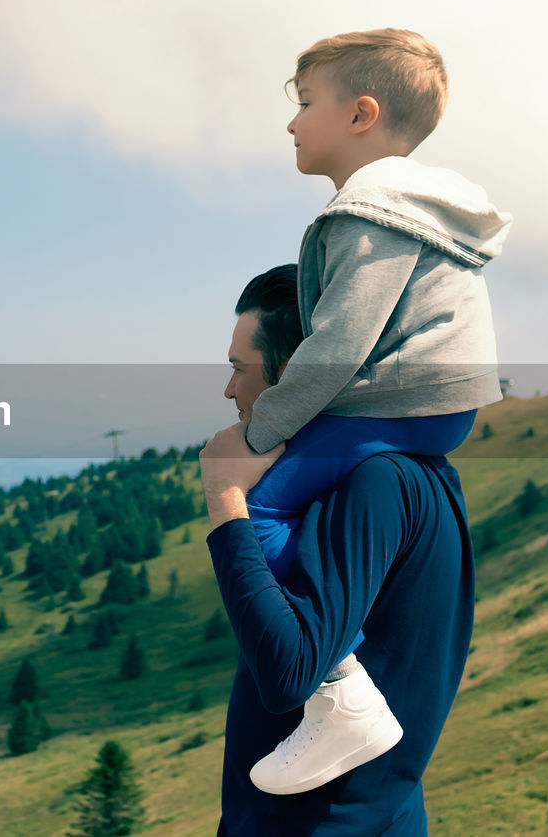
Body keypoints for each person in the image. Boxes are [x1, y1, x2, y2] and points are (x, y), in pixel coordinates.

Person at [238, 28, 511, 793]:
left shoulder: (371, 209)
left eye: (304, 103)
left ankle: (341, 691)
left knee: (253, 510)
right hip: (433, 407)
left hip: (398, 402)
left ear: (361, 113)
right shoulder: (420, 205)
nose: (292, 122)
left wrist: (264, 432)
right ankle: (341, 679)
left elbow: (339, 343)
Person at [201, 265, 476, 833]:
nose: (229, 389)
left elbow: (287, 670)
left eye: (238, 368)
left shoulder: (377, 484)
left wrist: (225, 498)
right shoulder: (413, 476)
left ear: (296, 375)